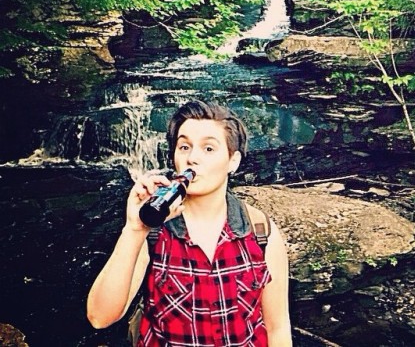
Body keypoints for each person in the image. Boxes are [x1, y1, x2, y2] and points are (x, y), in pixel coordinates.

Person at [87, 100, 292, 346]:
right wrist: (134, 228)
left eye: (208, 149)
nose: (192, 158)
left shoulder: (261, 232)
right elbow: (100, 317)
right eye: (184, 147)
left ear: (233, 161)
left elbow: (277, 327)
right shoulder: (154, 230)